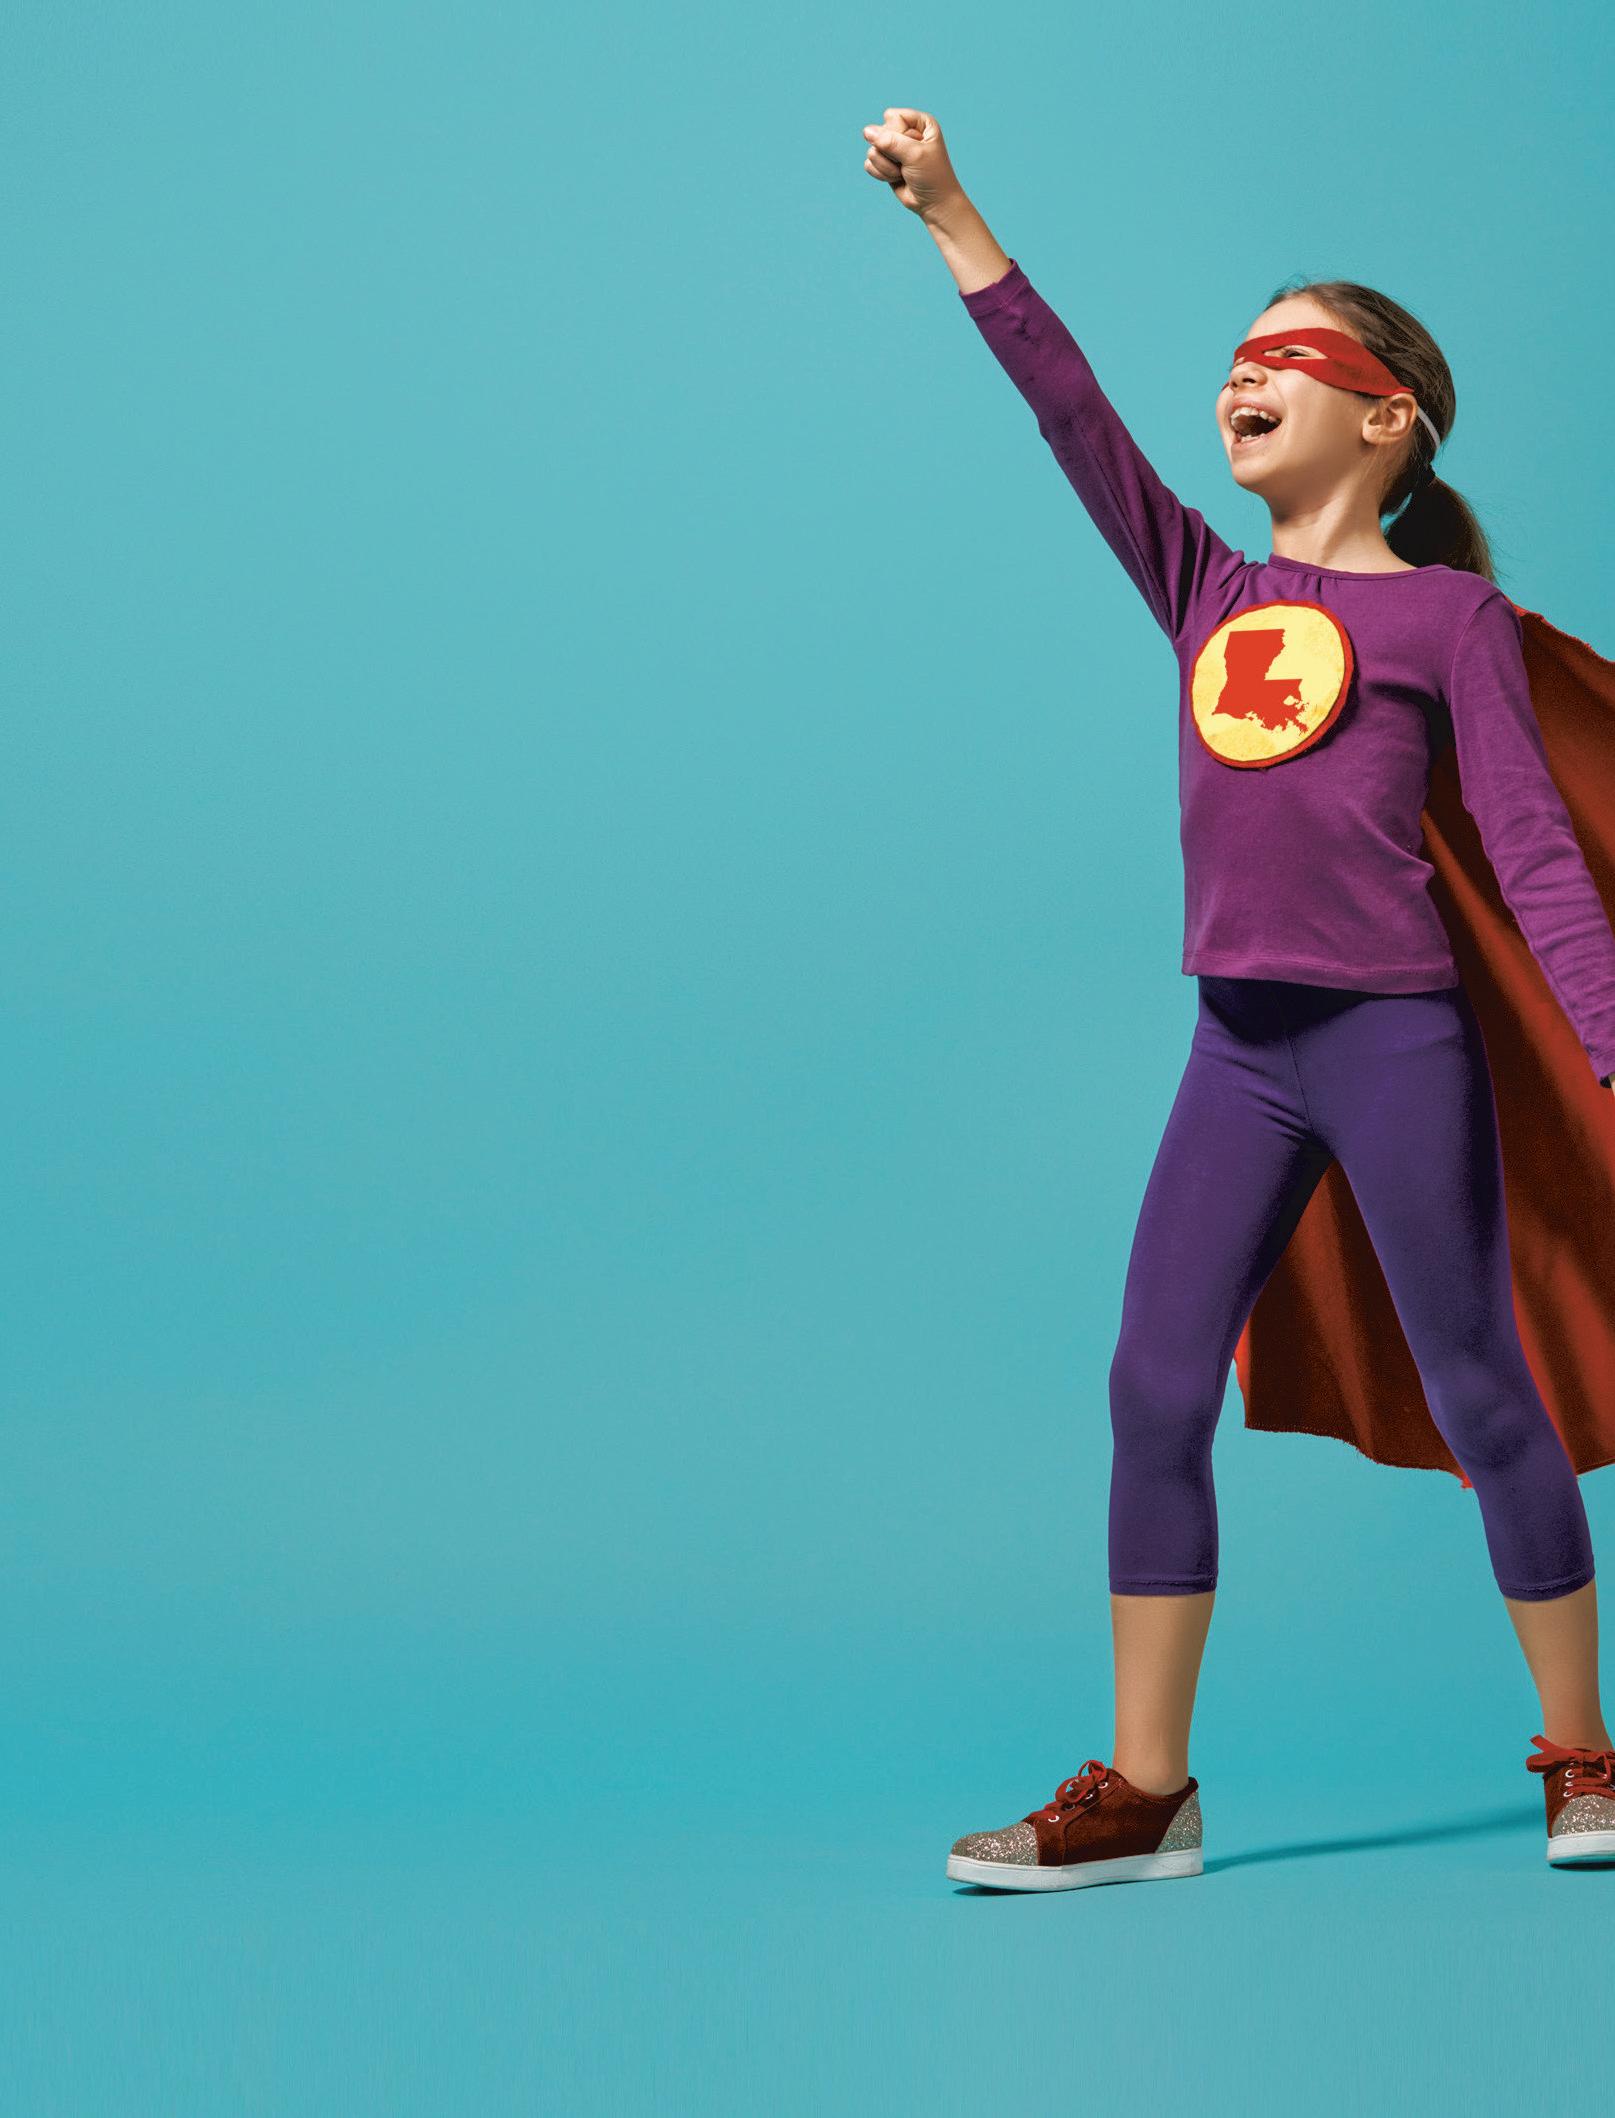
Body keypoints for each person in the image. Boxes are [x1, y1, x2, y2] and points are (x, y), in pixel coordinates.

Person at [860, 105, 1615, 1890]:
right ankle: (1148, 1790)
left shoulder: (1450, 623)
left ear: (1389, 418)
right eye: (1233, 361)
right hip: (1240, 1051)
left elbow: (1534, 854)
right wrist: (956, 216)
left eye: (1289, 357)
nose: (1240, 379)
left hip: (1393, 1041)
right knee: (1151, 1383)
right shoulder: (1206, 584)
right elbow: (1072, 415)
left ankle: (1586, 1753)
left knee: (1483, 1390)